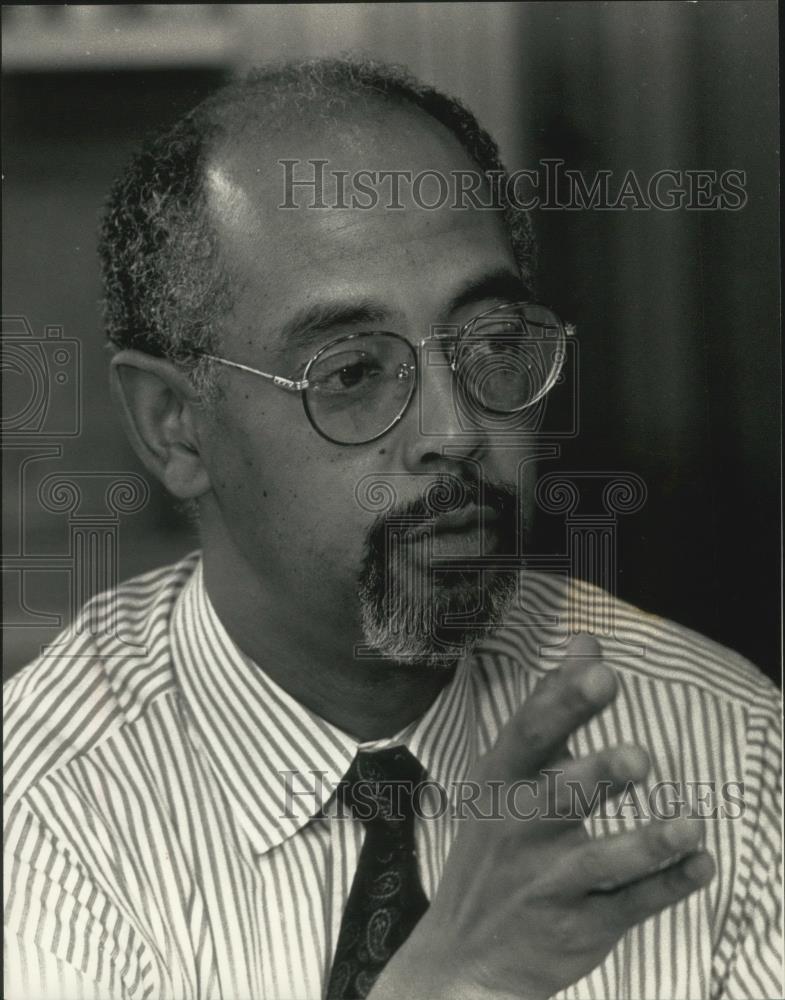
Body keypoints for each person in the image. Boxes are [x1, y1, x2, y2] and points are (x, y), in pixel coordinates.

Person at [3, 57, 782, 1000]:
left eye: (492, 344)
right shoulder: (44, 812)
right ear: (176, 427)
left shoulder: (723, 748)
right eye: (351, 372)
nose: (456, 431)